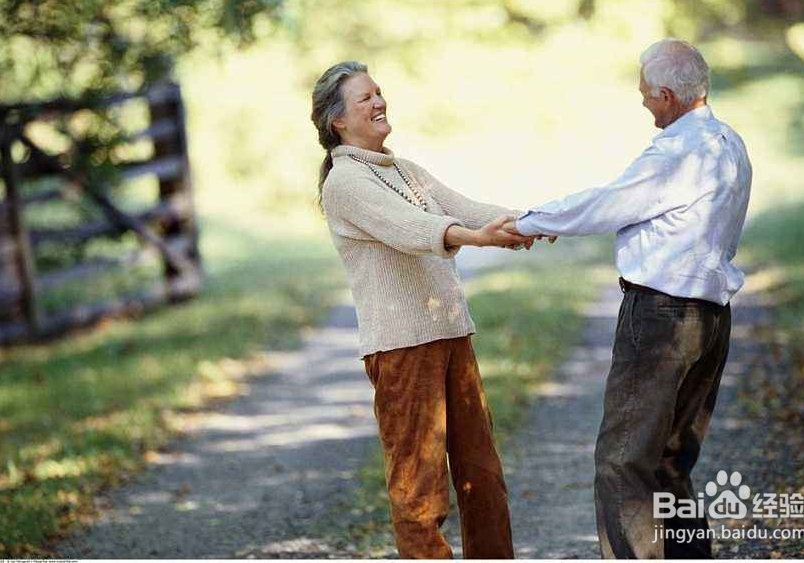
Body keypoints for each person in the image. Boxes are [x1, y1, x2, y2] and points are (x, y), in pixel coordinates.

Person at [506, 38, 753, 558]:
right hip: (711, 318)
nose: (643, 103)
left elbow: (607, 204)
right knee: (670, 461)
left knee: (623, 462)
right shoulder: (730, 143)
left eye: (646, 95)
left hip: (662, 318)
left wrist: (530, 222)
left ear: (667, 96)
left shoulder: (676, 152)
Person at [311, 61, 526, 559]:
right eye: (365, 98)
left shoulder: (403, 169)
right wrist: (479, 239)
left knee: (482, 476)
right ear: (338, 120)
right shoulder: (344, 182)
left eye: (379, 92)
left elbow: (466, 207)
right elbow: (411, 229)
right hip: (402, 350)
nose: (379, 102)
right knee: (419, 491)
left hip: (451, 334)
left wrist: (531, 221)